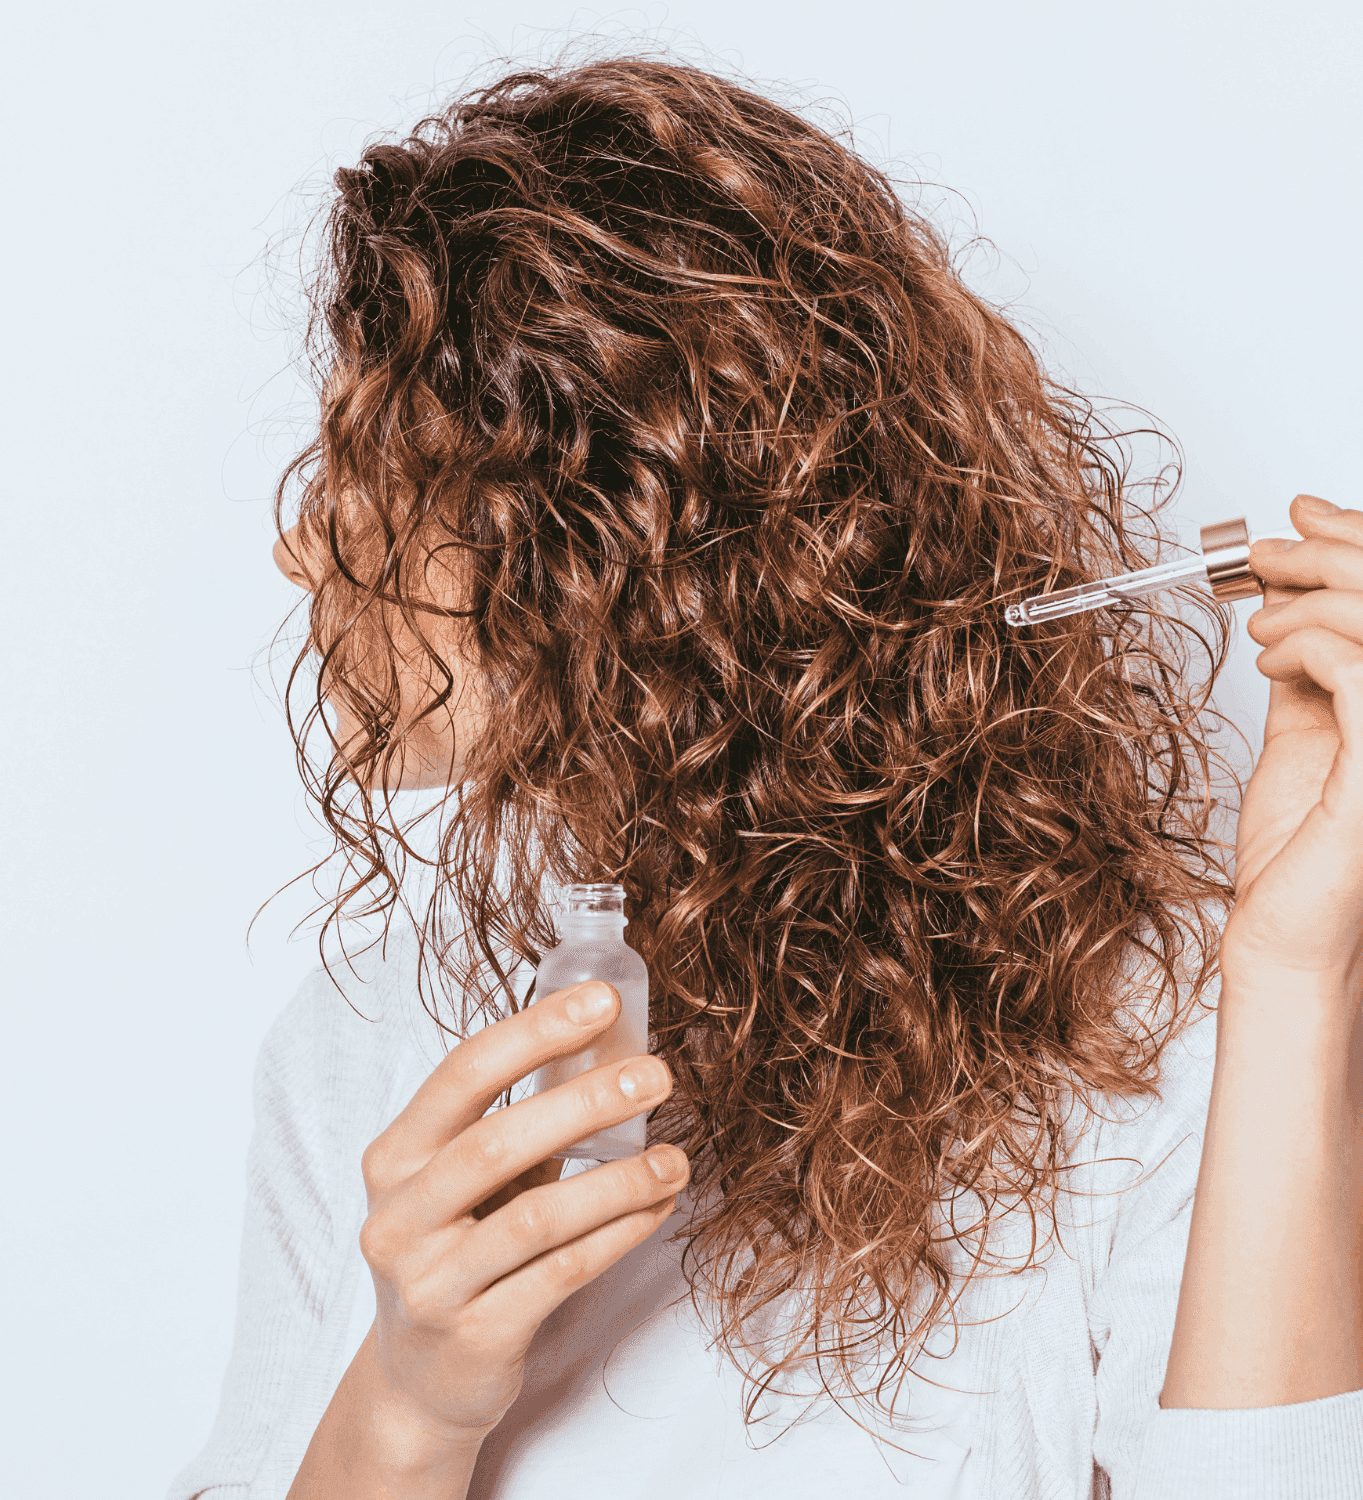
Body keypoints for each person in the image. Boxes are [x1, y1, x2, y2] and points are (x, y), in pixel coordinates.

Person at [167, 57, 1363, 1500]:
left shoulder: (1146, 1044)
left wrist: (1294, 984)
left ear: (610, 548)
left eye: (378, 467)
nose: (304, 547)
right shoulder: (376, 1031)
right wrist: (410, 1406)